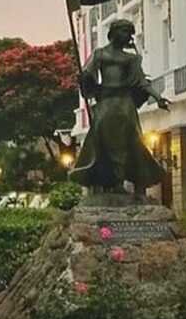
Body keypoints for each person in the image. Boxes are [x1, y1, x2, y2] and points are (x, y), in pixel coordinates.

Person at [70, 19, 170, 194]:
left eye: (130, 33)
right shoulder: (99, 54)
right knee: (102, 141)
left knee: (130, 142)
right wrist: (85, 77)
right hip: (106, 104)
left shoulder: (132, 58)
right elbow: (89, 74)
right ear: (114, 33)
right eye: (124, 31)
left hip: (125, 105)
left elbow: (141, 82)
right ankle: (105, 182)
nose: (128, 36)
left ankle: (126, 182)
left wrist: (159, 98)